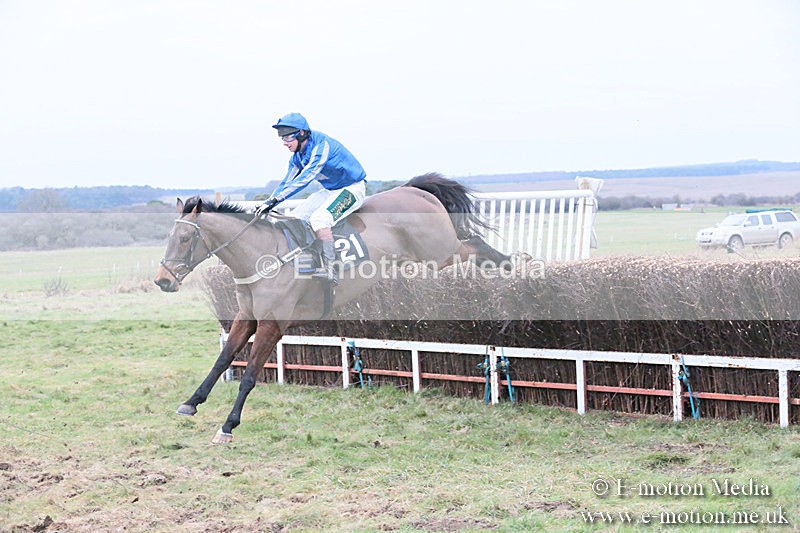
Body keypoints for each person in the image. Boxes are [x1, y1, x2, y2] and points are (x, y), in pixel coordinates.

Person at [255, 113, 367, 285]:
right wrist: (269, 201)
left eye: (287, 137)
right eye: (282, 138)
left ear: (301, 133)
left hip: (352, 189)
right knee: (296, 216)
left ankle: (331, 270)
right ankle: (311, 259)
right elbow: (288, 181)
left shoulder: (322, 146)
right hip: (330, 190)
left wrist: (276, 200)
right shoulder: (297, 157)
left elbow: (306, 178)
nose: (284, 143)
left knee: (319, 219)